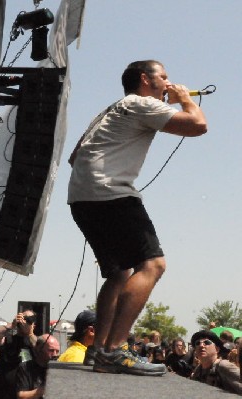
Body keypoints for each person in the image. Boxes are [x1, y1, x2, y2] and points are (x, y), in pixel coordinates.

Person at [68, 60, 208, 377]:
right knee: (154, 265)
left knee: (118, 273)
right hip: (111, 194)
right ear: (145, 79)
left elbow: (74, 157)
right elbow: (198, 125)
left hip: (81, 198)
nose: (170, 83)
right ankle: (115, 349)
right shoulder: (141, 103)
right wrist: (185, 98)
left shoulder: (110, 110)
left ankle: (98, 350)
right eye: (164, 77)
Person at [0, 310, 38, 399]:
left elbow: (40, 349)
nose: (24, 321)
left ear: (34, 325)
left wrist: (29, 333)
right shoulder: (7, 339)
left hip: (25, 393)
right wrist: (11, 325)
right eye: (23, 317)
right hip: (2, 393)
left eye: (28, 319)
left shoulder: (37, 341)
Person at [189, 330, 242, 394]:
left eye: (207, 342)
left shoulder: (223, 366)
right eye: (197, 343)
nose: (201, 345)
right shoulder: (197, 370)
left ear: (217, 349)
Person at [15, 334, 60, 399]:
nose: (55, 355)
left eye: (57, 351)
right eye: (51, 350)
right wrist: (44, 389)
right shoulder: (26, 367)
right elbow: (21, 396)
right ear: (39, 349)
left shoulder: (58, 369)